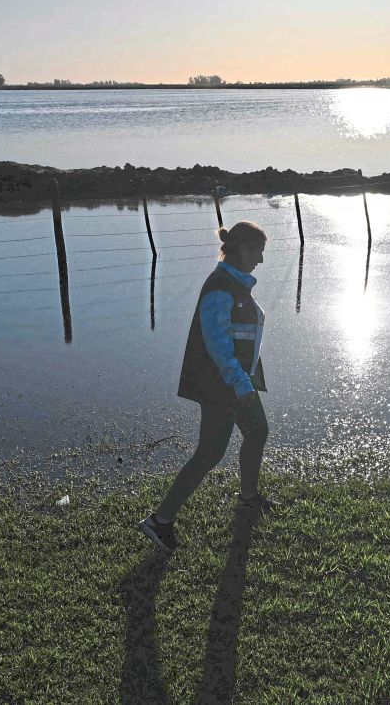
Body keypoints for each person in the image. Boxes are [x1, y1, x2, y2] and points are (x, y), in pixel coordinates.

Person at [139, 221, 276, 551]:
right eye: (258, 251)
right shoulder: (220, 287)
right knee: (210, 452)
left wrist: (246, 378)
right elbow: (218, 346)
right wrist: (239, 384)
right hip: (224, 385)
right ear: (242, 249)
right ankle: (159, 521)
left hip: (239, 380)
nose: (260, 259)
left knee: (257, 431)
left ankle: (248, 498)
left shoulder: (235, 284)